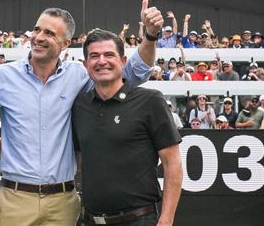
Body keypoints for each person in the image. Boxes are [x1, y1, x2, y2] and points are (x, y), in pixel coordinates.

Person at [0, 0, 161, 226]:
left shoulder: (78, 75)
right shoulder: (1, 77)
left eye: (49, 33)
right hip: (15, 200)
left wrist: (150, 35)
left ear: (66, 43)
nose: (38, 37)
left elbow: (134, 71)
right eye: (37, 29)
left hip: (64, 202)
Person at [72, 29, 182, 226]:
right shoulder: (79, 105)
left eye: (109, 54)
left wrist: (166, 219)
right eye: (94, 56)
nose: (102, 61)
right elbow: (79, 159)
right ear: (85, 64)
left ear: (123, 61)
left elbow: (172, 163)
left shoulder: (150, 101)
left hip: (139, 220)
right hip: (89, 220)